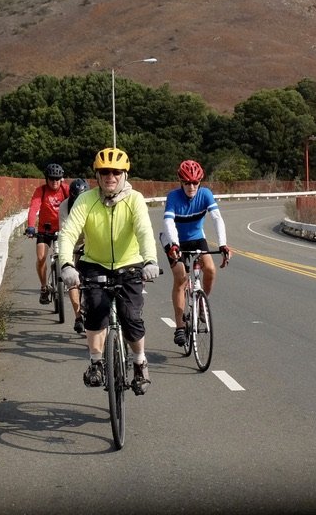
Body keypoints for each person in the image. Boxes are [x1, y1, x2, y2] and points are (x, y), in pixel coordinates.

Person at [57, 148, 159, 395]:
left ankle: (139, 363)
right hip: (95, 263)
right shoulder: (86, 200)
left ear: (124, 174)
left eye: (115, 172)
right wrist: (66, 264)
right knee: (94, 313)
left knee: (131, 316)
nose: (110, 177)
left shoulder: (134, 199)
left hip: (130, 264)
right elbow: (69, 233)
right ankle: (95, 362)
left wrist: (150, 261)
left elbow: (144, 231)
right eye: (104, 172)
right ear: (97, 175)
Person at [162, 159, 231, 347]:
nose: (191, 186)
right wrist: (175, 245)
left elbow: (217, 218)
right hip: (173, 239)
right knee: (181, 278)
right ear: (181, 182)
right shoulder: (173, 197)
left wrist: (223, 244)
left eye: (195, 183)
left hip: (196, 237)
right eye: (187, 182)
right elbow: (168, 223)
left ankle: (201, 302)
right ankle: (179, 326)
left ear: (200, 182)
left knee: (210, 269)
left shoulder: (205, 194)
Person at [24, 163, 70, 305]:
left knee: (69, 256)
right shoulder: (41, 191)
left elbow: (76, 204)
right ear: (46, 179)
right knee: (41, 257)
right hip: (45, 229)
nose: (54, 182)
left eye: (57, 179)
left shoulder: (66, 189)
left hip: (63, 229)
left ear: (61, 179)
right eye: (51, 179)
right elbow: (33, 209)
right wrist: (31, 226)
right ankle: (44, 287)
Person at [57, 177, 90, 334]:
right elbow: (65, 232)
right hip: (72, 242)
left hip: (89, 242)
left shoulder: (91, 203)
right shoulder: (64, 206)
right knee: (73, 279)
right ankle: (78, 317)